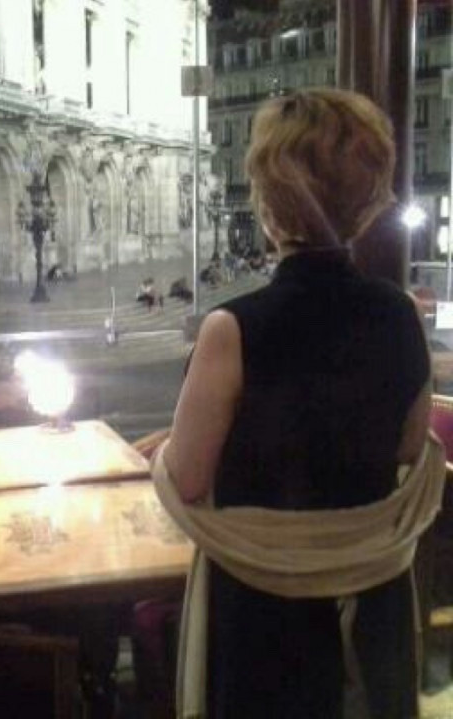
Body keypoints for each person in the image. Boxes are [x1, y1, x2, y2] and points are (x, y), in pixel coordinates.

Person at [159, 89, 433, 718]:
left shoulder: (231, 329)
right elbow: (409, 448)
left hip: (266, 620)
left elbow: (187, 477)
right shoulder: (401, 315)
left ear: (269, 201)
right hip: (373, 603)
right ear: (367, 201)